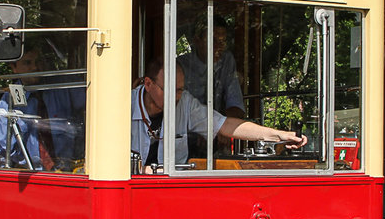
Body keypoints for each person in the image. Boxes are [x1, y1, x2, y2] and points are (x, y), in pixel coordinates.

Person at [131, 58, 305, 169]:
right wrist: (141, 170)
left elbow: (225, 125)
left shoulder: (185, 101)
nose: (176, 97)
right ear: (148, 84)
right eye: (169, 90)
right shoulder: (123, 105)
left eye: (180, 90)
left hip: (174, 192)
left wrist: (279, 135)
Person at [0, 47, 85, 170]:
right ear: (14, 68)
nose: (35, 67)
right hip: (28, 175)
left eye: (38, 61)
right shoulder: (9, 100)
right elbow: (0, 150)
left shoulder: (63, 88)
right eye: (27, 63)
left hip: (68, 172)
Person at [177, 17, 246, 119]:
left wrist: (220, 125)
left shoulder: (226, 60)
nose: (219, 46)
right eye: (213, 40)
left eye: (223, 41)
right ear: (197, 41)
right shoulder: (181, 65)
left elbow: (236, 105)